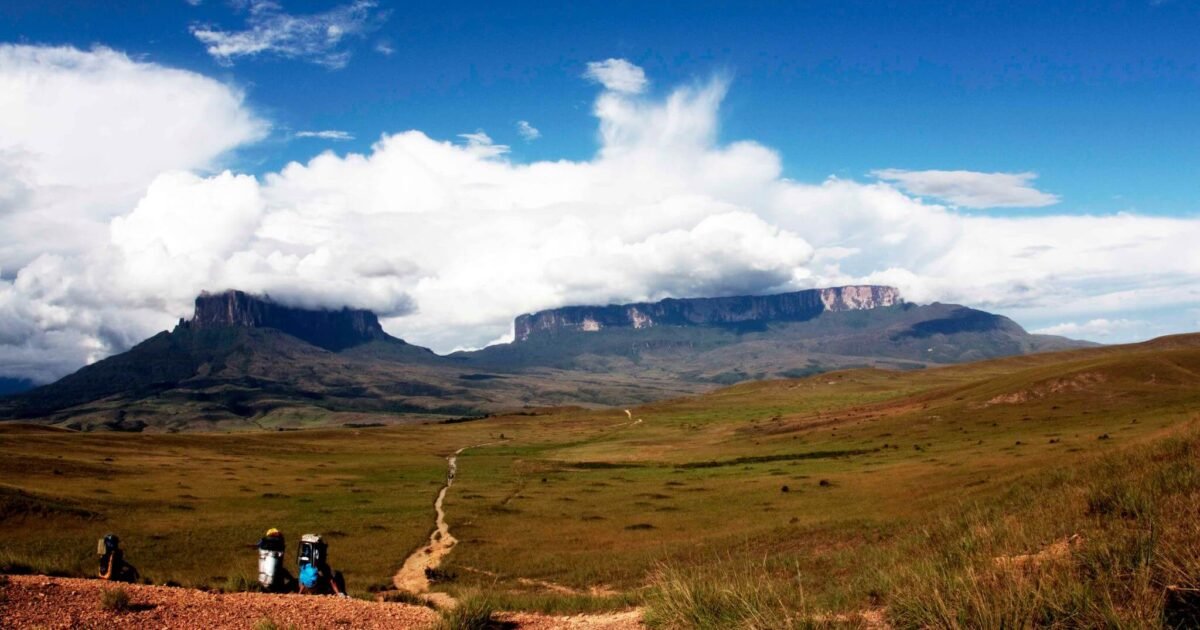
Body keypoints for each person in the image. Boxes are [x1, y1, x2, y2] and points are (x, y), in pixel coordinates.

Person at [255, 528, 294, 592]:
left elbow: (258, 545)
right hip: (277, 586)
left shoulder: (264, 544)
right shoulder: (279, 548)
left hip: (264, 582)